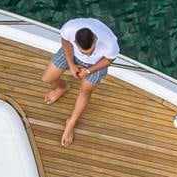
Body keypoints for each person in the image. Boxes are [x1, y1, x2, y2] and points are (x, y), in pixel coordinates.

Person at [41, 17, 120, 146]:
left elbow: (108, 61)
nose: (88, 55)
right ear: (75, 42)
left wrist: (88, 71)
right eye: (85, 52)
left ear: (95, 39)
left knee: (85, 91)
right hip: (72, 55)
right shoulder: (69, 29)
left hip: (96, 64)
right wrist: (71, 64)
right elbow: (65, 41)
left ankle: (71, 122)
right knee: (47, 78)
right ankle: (62, 87)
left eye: (91, 51)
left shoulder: (110, 43)